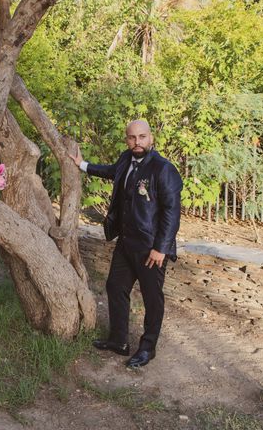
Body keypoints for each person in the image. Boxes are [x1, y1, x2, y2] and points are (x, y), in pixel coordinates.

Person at [70, 119, 182, 368]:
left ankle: (147, 348)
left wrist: (160, 248)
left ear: (151, 138)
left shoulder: (163, 169)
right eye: (132, 137)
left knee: (152, 298)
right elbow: (112, 172)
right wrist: (82, 165)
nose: (137, 142)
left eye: (142, 137)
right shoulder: (125, 159)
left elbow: (172, 212)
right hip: (126, 242)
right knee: (115, 287)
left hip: (151, 247)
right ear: (126, 139)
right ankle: (119, 340)